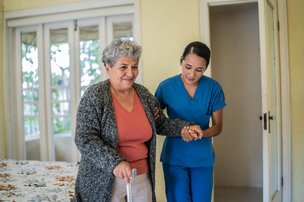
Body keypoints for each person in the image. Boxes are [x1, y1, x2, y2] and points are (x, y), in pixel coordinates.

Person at [73, 39, 202, 202]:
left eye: (134, 66)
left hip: (142, 176)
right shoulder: (95, 96)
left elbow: (160, 123)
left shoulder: (143, 94)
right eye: (123, 67)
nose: (131, 72)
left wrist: (185, 127)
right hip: (105, 178)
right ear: (108, 68)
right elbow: (85, 138)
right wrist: (115, 163)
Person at [155, 41, 226, 202]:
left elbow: (218, 127)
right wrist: (179, 129)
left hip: (202, 158)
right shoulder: (165, 87)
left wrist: (202, 133)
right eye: (188, 67)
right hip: (174, 158)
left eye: (199, 70)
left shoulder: (214, 88)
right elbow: (155, 122)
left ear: (205, 68)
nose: (192, 74)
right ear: (181, 61)